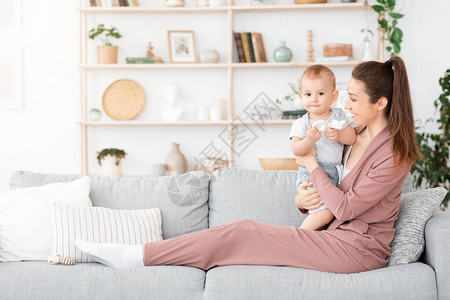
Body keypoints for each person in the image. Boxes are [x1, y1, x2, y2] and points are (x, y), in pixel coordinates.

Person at [75, 56, 421, 274]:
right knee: (240, 233)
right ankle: (141, 255)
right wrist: (302, 199)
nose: (344, 103)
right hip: (332, 234)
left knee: (241, 231)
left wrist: (311, 162)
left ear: (381, 103)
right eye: (344, 95)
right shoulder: (350, 131)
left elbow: (345, 207)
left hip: (356, 251)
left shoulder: (394, 155)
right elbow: (332, 190)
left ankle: (138, 256)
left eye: (354, 98)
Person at [290, 65, 356, 230]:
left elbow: (352, 138)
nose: (314, 99)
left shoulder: (338, 115)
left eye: (320, 93)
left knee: (330, 213)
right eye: (308, 94)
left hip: (335, 172)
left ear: (333, 96)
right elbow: (296, 150)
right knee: (324, 213)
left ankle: (307, 240)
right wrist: (309, 140)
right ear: (301, 96)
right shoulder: (302, 123)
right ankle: (299, 235)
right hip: (311, 173)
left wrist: (340, 135)